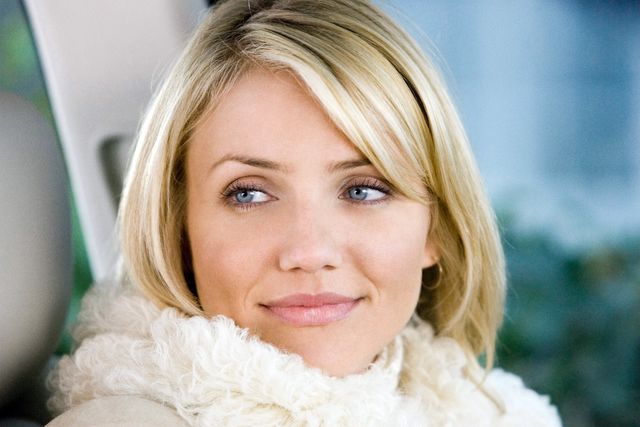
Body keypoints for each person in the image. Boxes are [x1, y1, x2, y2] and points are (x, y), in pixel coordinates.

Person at [47, 0, 562, 425]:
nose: (310, 252)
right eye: (249, 194)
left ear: (437, 228)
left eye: (363, 191)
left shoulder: (501, 415)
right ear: (178, 230)